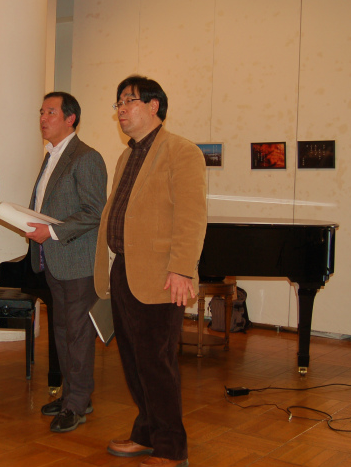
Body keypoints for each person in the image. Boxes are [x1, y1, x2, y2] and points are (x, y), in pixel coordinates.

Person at [93, 76, 207, 467]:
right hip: (124, 270)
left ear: (154, 105)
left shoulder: (181, 151)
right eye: (118, 103)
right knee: (133, 360)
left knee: (157, 363)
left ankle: (172, 448)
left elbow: (192, 217)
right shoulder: (127, 156)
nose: (121, 110)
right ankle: (145, 432)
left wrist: (182, 270)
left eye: (129, 101)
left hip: (162, 276)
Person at [25, 92, 107, 433]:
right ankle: (73, 396)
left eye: (51, 112)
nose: (43, 118)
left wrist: (52, 231)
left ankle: (77, 404)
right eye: (41, 112)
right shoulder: (51, 156)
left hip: (77, 261)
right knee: (62, 331)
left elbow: (94, 211)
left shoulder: (86, 157)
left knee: (78, 335)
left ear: (70, 118)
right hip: (54, 259)